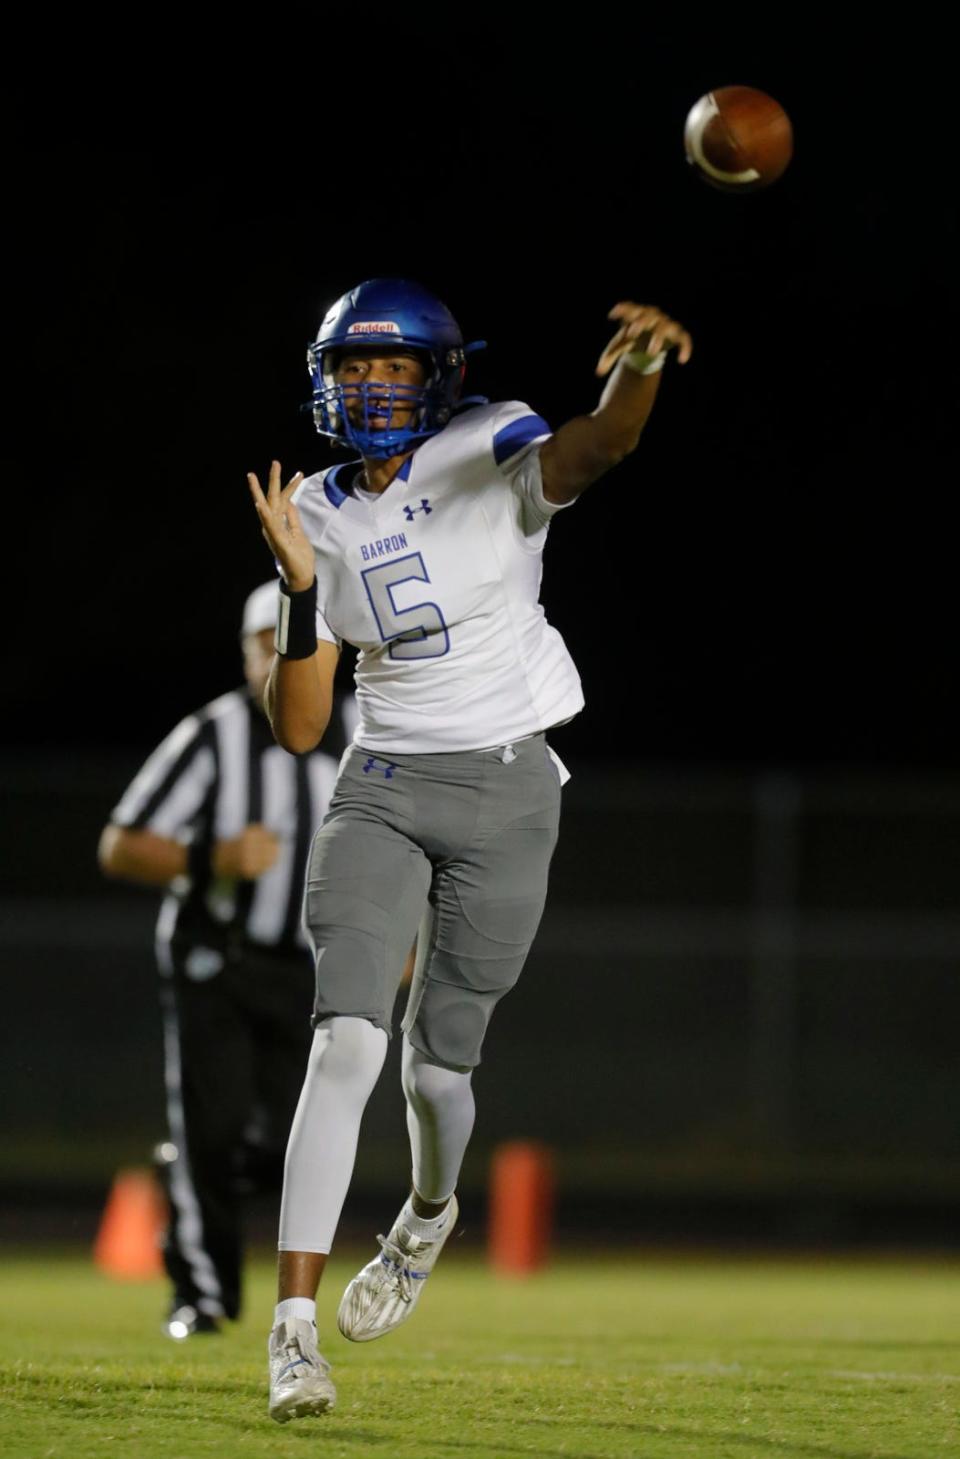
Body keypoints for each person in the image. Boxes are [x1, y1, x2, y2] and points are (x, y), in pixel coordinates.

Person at [247, 278, 692, 1422]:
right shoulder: (320, 514)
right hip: (381, 785)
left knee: (437, 1066)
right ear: (323, 378)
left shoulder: (489, 440)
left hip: (508, 786)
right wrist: (299, 587)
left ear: (436, 376)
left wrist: (635, 368)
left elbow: (597, 448)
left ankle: (427, 1217)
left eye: (393, 366)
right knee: (344, 1038)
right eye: (354, 366)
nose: (371, 385)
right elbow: (301, 725)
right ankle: (291, 1335)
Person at [98, 580, 356, 1338]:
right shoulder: (212, 735)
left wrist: (401, 930)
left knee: (285, 1141)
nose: (279, 658)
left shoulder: (366, 732)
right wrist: (212, 855)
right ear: (247, 653)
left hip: (310, 970)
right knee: (211, 1130)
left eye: (294, 642)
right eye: (264, 644)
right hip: (219, 955)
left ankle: (207, 1169)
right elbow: (120, 843)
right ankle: (202, 1294)